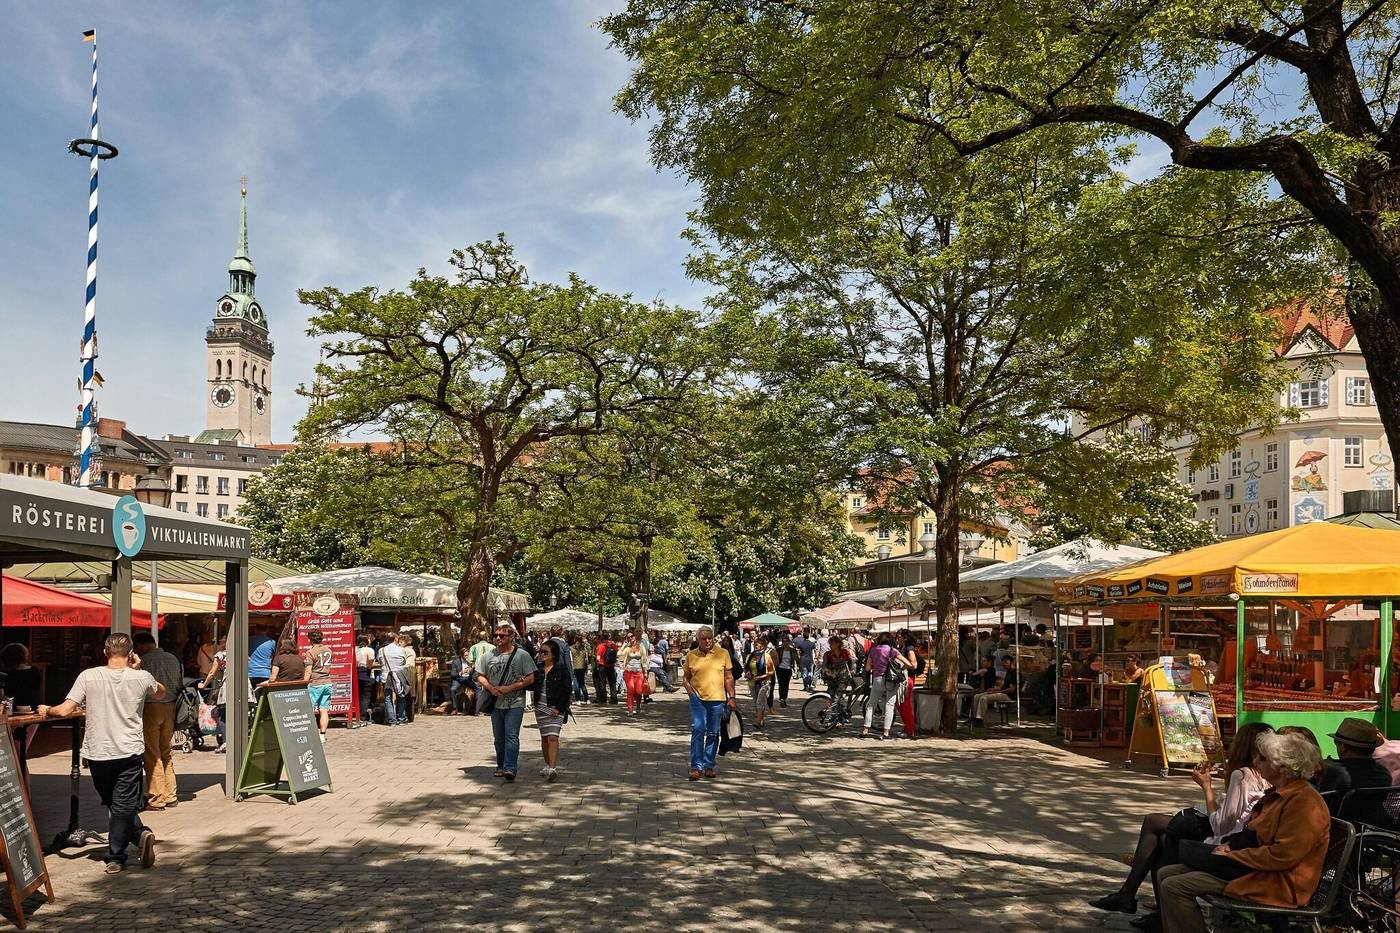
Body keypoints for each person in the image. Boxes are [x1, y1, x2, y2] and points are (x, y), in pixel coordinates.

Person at [1089, 722, 1274, 920]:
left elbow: (1220, 826)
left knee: (1160, 831)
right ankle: (1139, 900)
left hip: (1228, 845)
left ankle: (1141, 901)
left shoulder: (1244, 775)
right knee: (1160, 831)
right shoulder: (1265, 778)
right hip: (1237, 840)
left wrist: (1206, 786)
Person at [1157, 731, 1330, 933]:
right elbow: (1254, 834)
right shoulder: (1279, 793)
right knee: (1165, 873)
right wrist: (1230, 845)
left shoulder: (1303, 801)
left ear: (1283, 767)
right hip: (1255, 869)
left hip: (1277, 881)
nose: (1256, 761)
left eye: (1263, 758)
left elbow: (1283, 856)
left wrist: (1234, 855)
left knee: (1175, 886)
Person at [40, 633, 164, 873]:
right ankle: (139, 836)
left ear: (105, 652)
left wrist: (48, 711)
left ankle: (117, 855)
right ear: (130, 654)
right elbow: (160, 692)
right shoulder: (142, 677)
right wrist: (137, 669)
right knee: (120, 804)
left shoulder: (89, 676)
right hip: (129, 750)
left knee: (116, 803)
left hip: (98, 752)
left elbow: (65, 710)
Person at [475, 624, 538, 782]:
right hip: (495, 702)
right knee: (499, 738)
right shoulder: (488, 656)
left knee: (511, 736)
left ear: (511, 637)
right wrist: (491, 688)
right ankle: (500, 765)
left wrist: (510, 688)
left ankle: (510, 768)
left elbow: (531, 677)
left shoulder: (522, 655)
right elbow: (480, 675)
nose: (497, 638)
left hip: (515, 702)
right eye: (496, 635)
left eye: (502, 636)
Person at [132, 632, 183, 810]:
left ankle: (157, 798)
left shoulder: (143, 661)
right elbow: (178, 683)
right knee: (166, 752)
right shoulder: (173, 658)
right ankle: (171, 795)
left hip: (151, 707)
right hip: (170, 707)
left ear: (141, 645)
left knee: (152, 754)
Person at [684, 626, 736, 781]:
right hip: (698, 699)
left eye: (710, 638)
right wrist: (691, 693)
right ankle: (696, 767)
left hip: (717, 699)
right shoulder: (691, 656)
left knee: (713, 732)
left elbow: (728, 677)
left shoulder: (723, 653)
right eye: (703, 638)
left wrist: (732, 697)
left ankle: (709, 765)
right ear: (698, 640)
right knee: (698, 729)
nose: (707, 641)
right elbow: (686, 679)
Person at [1317, 717, 1392, 802]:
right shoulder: (1383, 774)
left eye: (1336, 743)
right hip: (1372, 815)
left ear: (1343, 747)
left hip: (1335, 815)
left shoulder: (1327, 771)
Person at [535, 640, 572, 782]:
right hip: (540, 707)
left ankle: (552, 768)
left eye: (546, 652)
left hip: (556, 707)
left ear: (554, 654)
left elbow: (567, 689)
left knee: (553, 736)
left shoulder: (561, 669)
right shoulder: (537, 668)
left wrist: (559, 708)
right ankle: (547, 764)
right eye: (541, 652)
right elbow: (532, 685)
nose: (543, 655)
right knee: (545, 737)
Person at [862, 633, 910, 740]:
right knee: (889, 705)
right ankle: (886, 732)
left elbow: (867, 668)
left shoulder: (873, 650)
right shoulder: (892, 650)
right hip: (891, 680)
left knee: (871, 704)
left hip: (877, 679)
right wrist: (903, 668)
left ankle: (865, 729)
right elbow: (908, 663)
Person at [303, 629, 334, 742]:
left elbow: (308, 670)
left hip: (315, 683)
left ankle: (310, 734)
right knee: (324, 710)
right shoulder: (329, 650)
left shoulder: (310, 652)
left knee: (309, 710)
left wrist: (304, 682)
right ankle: (322, 735)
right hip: (327, 682)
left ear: (310, 639)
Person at [971, 656, 1018, 726]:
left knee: (984, 698)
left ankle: (979, 719)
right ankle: (974, 718)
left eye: (1006, 663)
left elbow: (1011, 690)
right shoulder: (1008, 672)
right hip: (1002, 693)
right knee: (977, 696)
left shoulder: (1015, 673)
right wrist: (995, 689)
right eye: (1003, 664)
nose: (1004, 665)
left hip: (1008, 696)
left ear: (1011, 663)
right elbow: (1004, 686)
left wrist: (996, 692)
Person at [377, 635, 410, 726]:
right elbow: (404, 661)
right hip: (399, 675)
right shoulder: (401, 650)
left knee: (388, 698)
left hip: (386, 675)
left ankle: (391, 720)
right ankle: (401, 718)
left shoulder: (381, 650)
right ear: (396, 639)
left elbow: (380, 662)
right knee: (401, 695)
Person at [747, 635, 776, 729]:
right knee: (756, 702)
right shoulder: (751, 655)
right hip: (752, 682)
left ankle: (758, 722)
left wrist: (761, 677)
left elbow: (772, 671)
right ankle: (761, 719)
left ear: (763, 646)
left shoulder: (767, 656)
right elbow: (746, 667)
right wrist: (747, 673)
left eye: (758, 645)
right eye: (755, 644)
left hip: (764, 682)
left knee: (760, 702)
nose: (756, 646)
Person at [0, 643, 41, 710]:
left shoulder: (3, 675)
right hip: (31, 709)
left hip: (8, 710)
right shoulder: (34, 671)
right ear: (24, 656)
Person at [894, 630, 919, 739]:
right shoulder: (902, 648)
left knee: (905, 704)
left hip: (908, 678)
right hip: (902, 678)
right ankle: (908, 726)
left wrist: (902, 663)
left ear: (905, 638)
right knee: (900, 703)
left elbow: (914, 664)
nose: (897, 638)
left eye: (899, 637)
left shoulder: (909, 649)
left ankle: (910, 729)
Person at [618, 632, 648, 715]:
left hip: (639, 672)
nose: (631, 638)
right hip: (629, 672)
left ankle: (638, 704)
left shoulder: (641, 647)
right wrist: (624, 645)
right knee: (630, 690)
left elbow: (644, 659)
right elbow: (619, 654)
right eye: (628, 637)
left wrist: (645, 671)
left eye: (632, 636)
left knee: (638, 691)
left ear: (635, 637)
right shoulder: (627, 648)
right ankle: (630, 709)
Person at [355, 635, 376, 725]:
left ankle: (355, 715)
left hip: (356, 672)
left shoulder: (355, 649)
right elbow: (371, 659)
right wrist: (369, 665)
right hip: (366, 672)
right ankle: (362, 717)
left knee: (357, 696)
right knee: (365, 697)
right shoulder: (369, 650)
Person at [450, 646, 476, 715]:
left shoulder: (469, 662)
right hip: (458, 679)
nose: (466, 657)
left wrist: (471, 670)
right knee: (453, 689)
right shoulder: (455, 662)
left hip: (467, 679)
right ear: (461, 655)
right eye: (465, 655)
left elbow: (474, 673)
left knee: (478, 689)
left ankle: (474, 708)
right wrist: (461, 672)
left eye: (467, 655)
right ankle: (455, 708)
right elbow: (453, 674)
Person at [774, 634, 798, 708]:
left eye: (786, 641)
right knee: (781, 684)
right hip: (780, 669)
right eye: (783, 641)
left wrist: (798, 668)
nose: (785, 642)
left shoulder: (792, 650)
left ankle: (784, 698)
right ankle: (781, 698)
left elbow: (797, 659)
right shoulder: (778, 649)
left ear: (789, 642)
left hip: (788, 669)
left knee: (786, 684)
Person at [594, 635, 619, 705]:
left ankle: (603, 698)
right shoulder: (613, 645)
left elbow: (598, 658)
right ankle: (614, 698)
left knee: (602, 682)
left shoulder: (601, 646)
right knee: (612, 683)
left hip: (603, 666)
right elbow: (617, 653)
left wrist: (597, 665)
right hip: (611, 666)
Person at [400, 634, 419, 722]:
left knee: (409, 693)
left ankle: (409, 715)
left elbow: (408, 663)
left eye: (401, 642)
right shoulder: (402, 650)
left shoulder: (409, 651)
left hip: (409, 671)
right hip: (406, 671)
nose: (399, 643)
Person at [569, 633, 590, 705]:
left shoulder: (571, 648)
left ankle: (578, 699)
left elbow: (570, 660)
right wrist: (586, 668)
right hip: (582, 667)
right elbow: (586, 659)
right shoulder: (584, 648)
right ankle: (587, 699)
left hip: (574, 667)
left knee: (576, 684)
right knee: (582, 683)